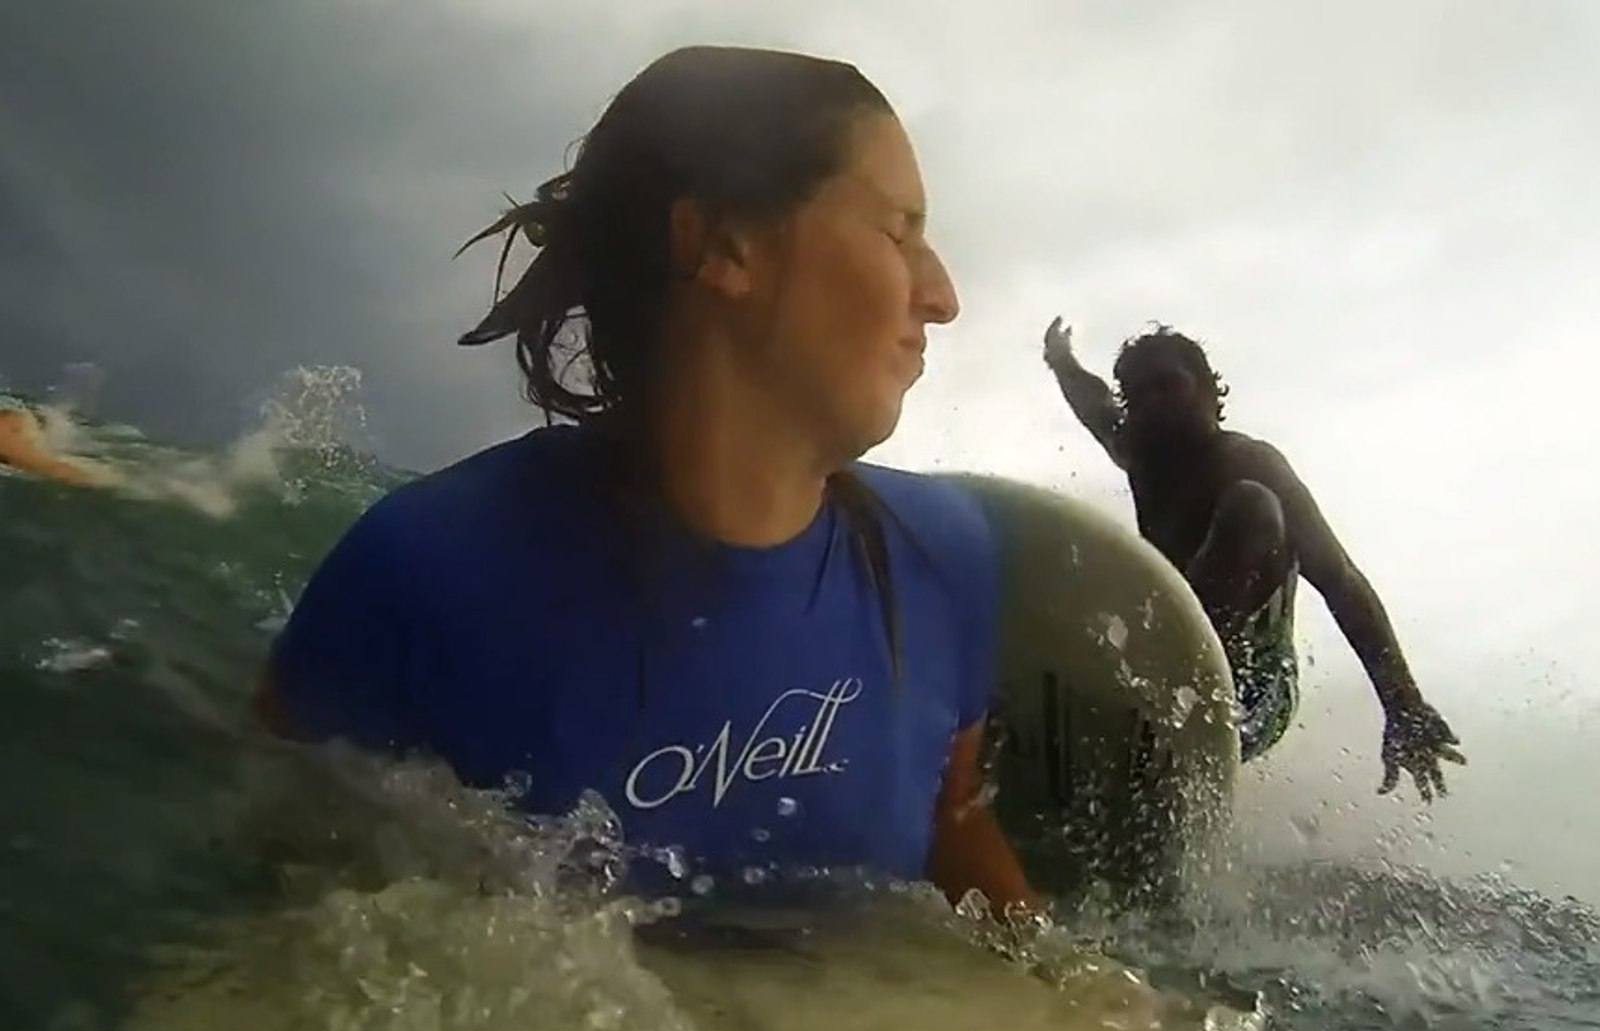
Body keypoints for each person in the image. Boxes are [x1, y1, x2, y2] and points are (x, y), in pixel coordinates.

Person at [254, 46, 1037, 918]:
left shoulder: (942, 557)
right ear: (725, 246)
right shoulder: (423, 574)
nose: (942, 296)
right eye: (900, 233)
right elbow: (276, 899)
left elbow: (958, 840)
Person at [1040, 317, 1465, 802]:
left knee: (1253, 504)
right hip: (1156, 666)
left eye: (1169, 385)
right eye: (1140, 395)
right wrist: (1061, 359)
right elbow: (1090, 397)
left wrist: (1402, 703)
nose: (1156, 402)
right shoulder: (1138, 452)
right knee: (1080, 562)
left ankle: (1158, 695)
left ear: (1209, 393)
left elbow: (1341, 581)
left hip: (1254, 689)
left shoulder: (1248, 461)